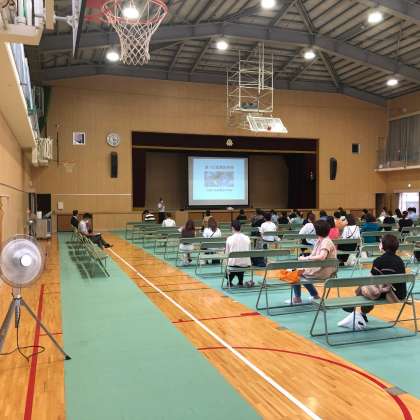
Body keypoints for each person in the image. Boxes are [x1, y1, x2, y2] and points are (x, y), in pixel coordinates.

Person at [338, 234, 406, 330]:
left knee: (364, 287)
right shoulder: (400, 261)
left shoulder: (379, 261)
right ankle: (359, 311)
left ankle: (357, 309)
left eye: (380, 242)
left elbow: (372, 280)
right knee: (366, 287)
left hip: (388, 294)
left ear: (382, 246)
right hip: (400, 294)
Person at [291, 220, 337, 304]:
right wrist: (305, 259)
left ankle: (298, 297)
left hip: (323, 271)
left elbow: (322, 256)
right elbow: (314, 255)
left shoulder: (326, 241)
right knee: (301, 271)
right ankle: (314, 295)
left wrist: (305, 258)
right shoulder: (320, 240)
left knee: (295, 273)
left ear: (316, 231)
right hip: (321, 269)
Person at [225, 221, 251, 287]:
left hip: (233, 264)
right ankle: (240, 281)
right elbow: (249, 250)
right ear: (240, 228)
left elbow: (227, 253)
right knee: (240, 261)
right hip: (245, 263)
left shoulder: (229, 238)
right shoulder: (247, 238)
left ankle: (229, 281)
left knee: (232, 262)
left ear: (232, 228)